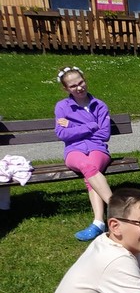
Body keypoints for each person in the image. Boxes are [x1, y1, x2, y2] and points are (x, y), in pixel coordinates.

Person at [54, 66, 115, 241]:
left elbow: (104, 134)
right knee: (87, 166)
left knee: (91, 168)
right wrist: (91, 126)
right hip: (74, 150)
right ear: (66, 88)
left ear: (85, 80)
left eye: (81, 83)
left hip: (98, 148)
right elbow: (62, 134)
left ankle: (99, 223)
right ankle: (118, 209)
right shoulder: (62, 107)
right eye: (73, 86)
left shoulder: (99, 105)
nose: (79, 88)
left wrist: (72, 127)